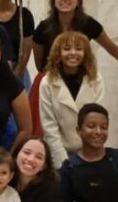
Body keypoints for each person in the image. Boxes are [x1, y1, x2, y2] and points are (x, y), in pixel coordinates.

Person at [32, 0, 118, 73]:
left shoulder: (89, 24)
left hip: (80, 79)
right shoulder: (43, 28)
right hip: (50, 80)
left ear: (78, 1)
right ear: (54, 1)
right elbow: (40, 65)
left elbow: (114, 49)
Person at [39, 31, 105, 169]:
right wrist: (64, 163)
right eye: (67, 49)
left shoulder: (96, 79)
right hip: (59, 152)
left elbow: (98, 121)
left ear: (86, 53)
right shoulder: (47, 82)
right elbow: (49, 127)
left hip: (90, 150)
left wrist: (89, 155)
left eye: (79, 49)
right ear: (58, 53)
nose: (73, 53)